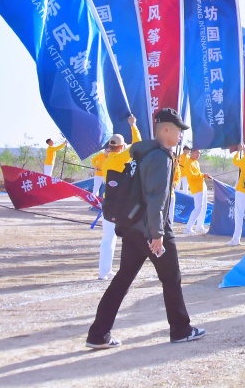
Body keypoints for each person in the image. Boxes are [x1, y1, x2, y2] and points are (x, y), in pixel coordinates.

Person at [86, 108, 204, 348]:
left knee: (122, 279)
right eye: (179, 130)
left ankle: (98, 334)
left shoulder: (139, 152)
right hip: (151, 229)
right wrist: (157, 234)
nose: (181, 135)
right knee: (171, 278)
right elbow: (156, 198)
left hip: (132, 226)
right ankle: (181, 330)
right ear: (166, 130)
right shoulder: (161, 157)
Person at [98, 133, 131, 280]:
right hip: (120, 203)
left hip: (108, 202)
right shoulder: (120, 158)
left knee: (109, 237)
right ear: (121, 147)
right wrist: (133, 126)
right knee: (118, 238)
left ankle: (105, 270)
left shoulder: (106, 162)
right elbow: (137, 143)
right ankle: (105, 271)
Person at [183, 148, 209, 236]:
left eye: (199, 153)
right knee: (198, 208)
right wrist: (203, 175)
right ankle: (188, 228)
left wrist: (204, 176)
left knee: (203, 207)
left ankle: (199, 226)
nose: (199, 154)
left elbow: (198, 175)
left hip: (202, 186)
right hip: (196, 188)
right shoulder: (188, 163)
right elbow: (191, 176)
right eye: (197, 152)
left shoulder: (196, 163)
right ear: (192, 152)